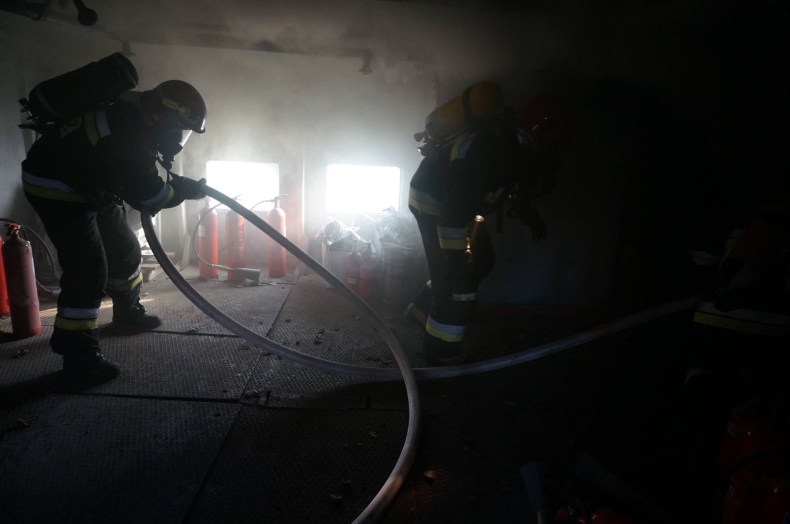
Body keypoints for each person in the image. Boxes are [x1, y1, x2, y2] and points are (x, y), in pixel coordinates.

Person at [21, 80, 208, 380]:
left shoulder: (132, 114)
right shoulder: (128, 134)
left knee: (124, 249)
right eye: (179, 129)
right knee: (87, 270)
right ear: (162, 115)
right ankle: (78, 356)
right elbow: (151, 196)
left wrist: (177, 187)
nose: (177, 139)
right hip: (56, 187)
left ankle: (127, 311)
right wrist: (182, 191)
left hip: (89, 184)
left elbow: (135, 180)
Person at [406, 91, 568, 365]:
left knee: (481, 261)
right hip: (433, 204)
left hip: (461, 207)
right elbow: (451, 215)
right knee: (458, 281)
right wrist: (456, 261)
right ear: (538, 135)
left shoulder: (516, 147)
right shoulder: (486, 152)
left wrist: (528, 214)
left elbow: (512, 184)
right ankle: (441, 352)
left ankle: (420, 310)